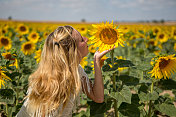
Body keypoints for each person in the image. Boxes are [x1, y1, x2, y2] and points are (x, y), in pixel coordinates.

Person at [16, 25, 114, 117]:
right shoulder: (50, 83)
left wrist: (97, 61)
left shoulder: (77, 70)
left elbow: (98, 97)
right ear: (73, 50)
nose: (86, 39)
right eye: (81, 39)